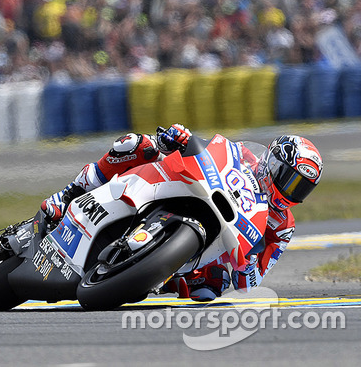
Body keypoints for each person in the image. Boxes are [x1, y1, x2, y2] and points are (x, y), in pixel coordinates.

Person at [40, 124, 323, 302]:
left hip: (212, 256)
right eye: (290, 179)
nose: (291, 191)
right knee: (136, 144)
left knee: (209, 290)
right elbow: (211, 153)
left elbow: (251, 283)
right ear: (273, 162)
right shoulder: (243, 156)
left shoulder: (283, 226)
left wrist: (247, 264)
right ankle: (69, 194)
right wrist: (178, 138)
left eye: (301, 188)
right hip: (195, 191)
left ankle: (155, 274)